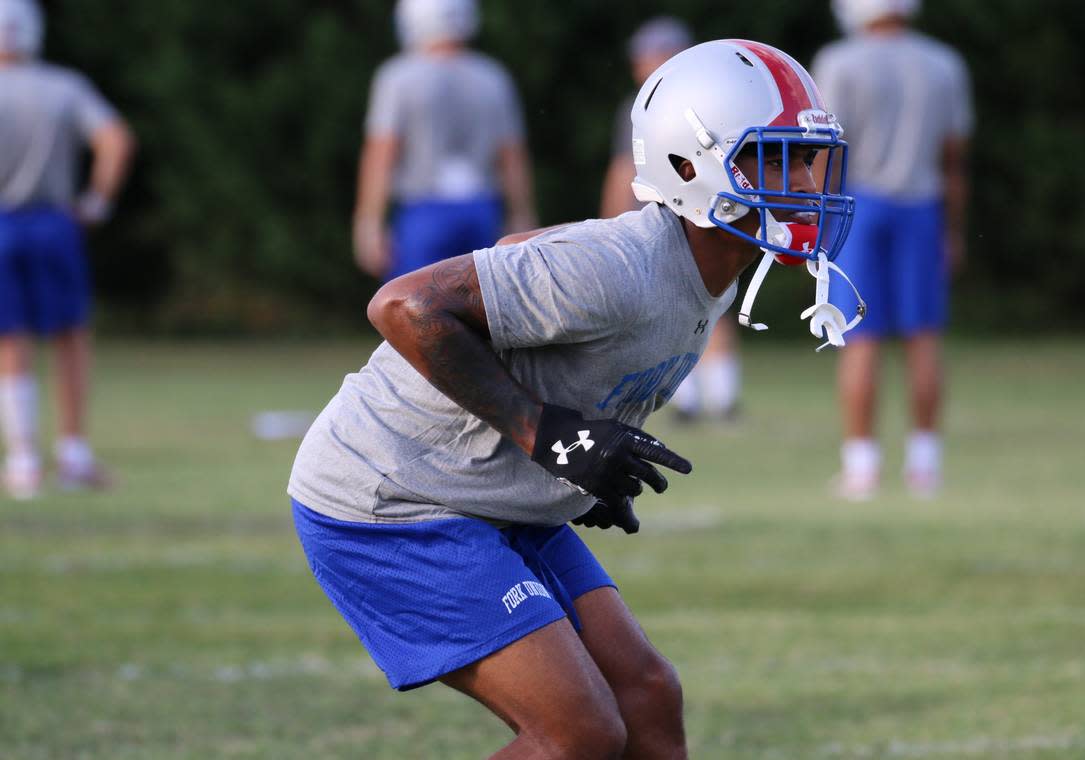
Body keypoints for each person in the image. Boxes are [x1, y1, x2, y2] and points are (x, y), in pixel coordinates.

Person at [289, 39, 857, 757]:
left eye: (807, 158)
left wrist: (574, 464)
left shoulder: (712, 261)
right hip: (395, 496)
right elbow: (404, 306)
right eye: (777, 158)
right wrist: (551, 438)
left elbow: (525, 248)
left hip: (491, 494)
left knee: (648, 700)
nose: (805, 181)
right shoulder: (627, 267)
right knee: (579, 734)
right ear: (690, 166)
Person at [812, 0, 972, 500]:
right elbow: (953, 158)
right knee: (924, 336)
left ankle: (862, 467)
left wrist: (816, 228)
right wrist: (954, 228)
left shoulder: (840, 61)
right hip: (922, 204)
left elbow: (826, 150)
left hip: (859, 206)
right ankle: (924, 466)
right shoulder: (944, 62)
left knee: (859, 338)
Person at [0, 0, 135, 499]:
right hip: (55, 222)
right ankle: (73, 453)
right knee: (69, 335)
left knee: (9, 339)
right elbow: (115, 139)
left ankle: (23, 462)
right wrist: (96, 203)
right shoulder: (62, 85)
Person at [601, 16, 744, 424]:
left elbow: (621, 170)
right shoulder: (704, 99)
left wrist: (612, 218)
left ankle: (715, 394)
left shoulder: (650, 107)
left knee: (705, 301)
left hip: (689, 215)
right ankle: (693, 396)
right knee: (686, 304)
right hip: (676, 214)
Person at [352, 0, 537, 282]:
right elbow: (511, 155)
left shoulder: (398, 76)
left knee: (414, 311)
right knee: (483, 313)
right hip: (481, 209)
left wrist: (369, 221)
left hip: (423, 212)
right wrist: (522, 215)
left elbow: (382, 152)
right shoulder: (493, 76)